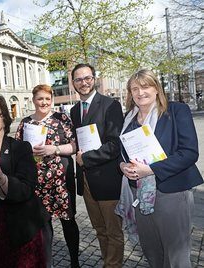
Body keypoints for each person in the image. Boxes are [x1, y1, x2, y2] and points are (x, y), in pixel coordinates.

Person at [119, 69, 203, 267]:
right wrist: (122, 165)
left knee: (176, 257)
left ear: (157, 88)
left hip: (172, 192)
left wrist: (150, 170)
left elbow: (189, 152)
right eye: (135, 89)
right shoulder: (129, 118)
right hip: (139, 194)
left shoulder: (176, 111)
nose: (141, 93)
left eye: (146, 86)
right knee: (152, 253)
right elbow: (122, 153)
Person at [0, 92, 49, 268]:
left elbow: (26, 189)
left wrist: (2, 179)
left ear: (4, 119)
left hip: (20, 233)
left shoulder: (20, 148)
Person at [15, 84, 79, 268]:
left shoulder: (62, 119)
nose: (44, 102)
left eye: (47, 99)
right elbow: (19, 150)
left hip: (61, 179)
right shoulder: (26, 123)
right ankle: (47, 263)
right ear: (34, 100)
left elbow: (75, 146)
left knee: (68, 220)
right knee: (43, 222)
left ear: (51, 100)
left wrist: (55, 149)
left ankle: (75, 262)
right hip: (37, 179)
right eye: (40, 98)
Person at [69, 63, 124, 267]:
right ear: (73, 83)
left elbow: (115, 144)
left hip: (107, 178)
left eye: (87, 78)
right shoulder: (75, 111)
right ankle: (107, 263)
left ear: (94, 79)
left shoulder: (111, 105)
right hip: (86, 180)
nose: (84, 83)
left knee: (113, 231)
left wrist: (87, 159)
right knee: (100, 230)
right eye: (78, 79)